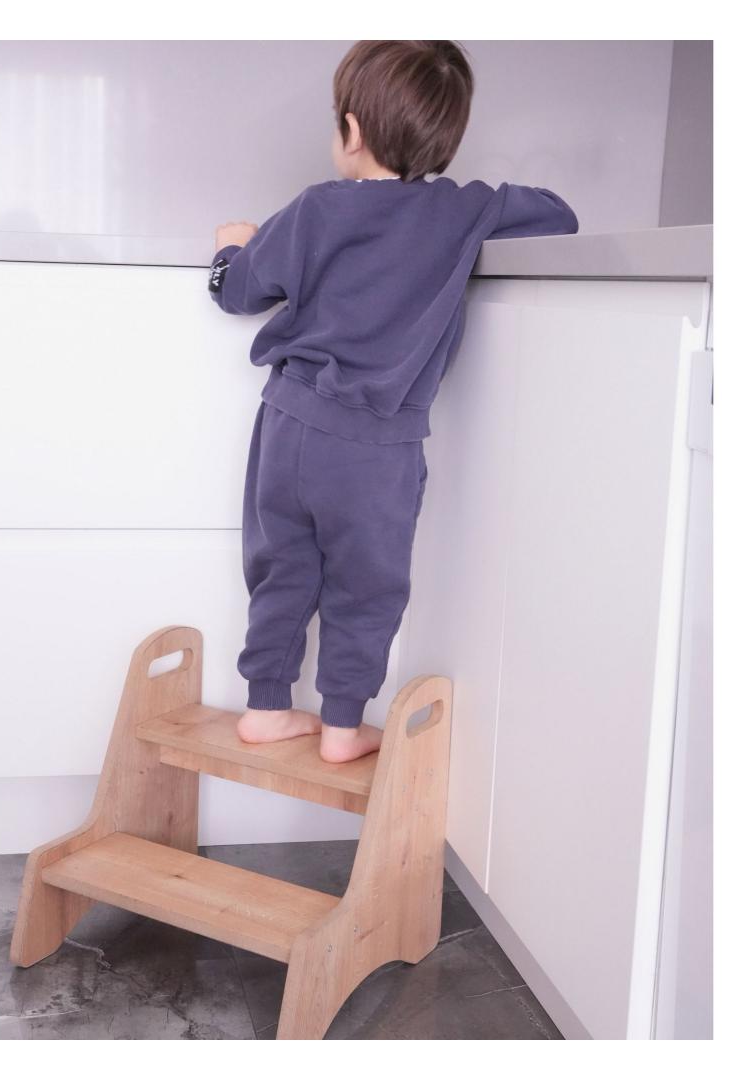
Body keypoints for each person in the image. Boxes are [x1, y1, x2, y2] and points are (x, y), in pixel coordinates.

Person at [208, 40, 578, 763]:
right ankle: (342, 727)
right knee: (367, 586)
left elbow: (238, 293)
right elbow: (559, 215)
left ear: (350, 129)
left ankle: (266, 705)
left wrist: (230, 251)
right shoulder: (461, 211)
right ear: (444, 140)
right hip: (376, 449)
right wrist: (478, 202)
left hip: (289, 422)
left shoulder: (314, 209)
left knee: (282, 565)